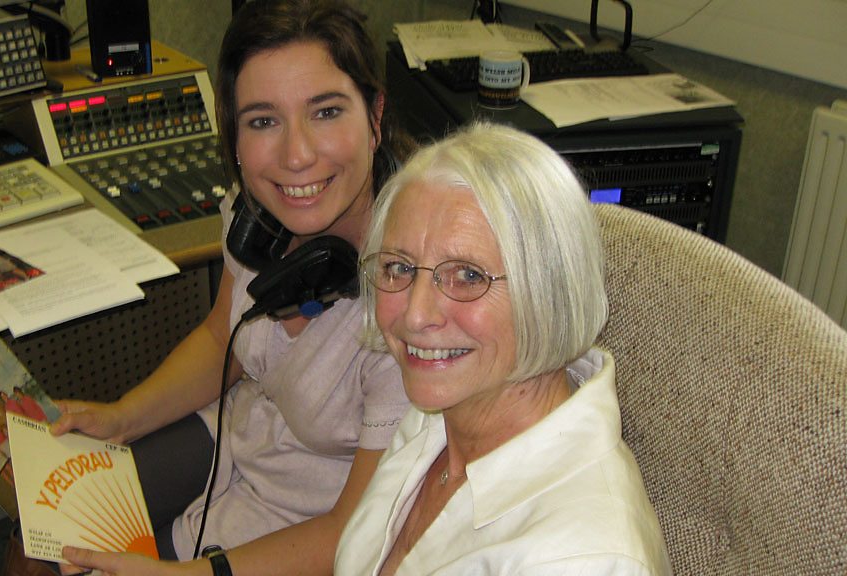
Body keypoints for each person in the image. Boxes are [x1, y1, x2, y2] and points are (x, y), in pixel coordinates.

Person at [50, 1, 415, 574]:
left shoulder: (415, 297)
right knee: (50, 527)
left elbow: (357, 530)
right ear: (235, 139)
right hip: (243, 436)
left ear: (375, 117)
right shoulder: (257, 220)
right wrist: (121, 418)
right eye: (263, 121)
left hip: (315, 519)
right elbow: (222, 338)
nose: (297, 155)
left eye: (325, 112)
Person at [335, 122, 672, 575]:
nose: (415, 316)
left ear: (548, 293)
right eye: (399, 267)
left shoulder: (579, 559)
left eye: (468, 275)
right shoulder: (446, 411)